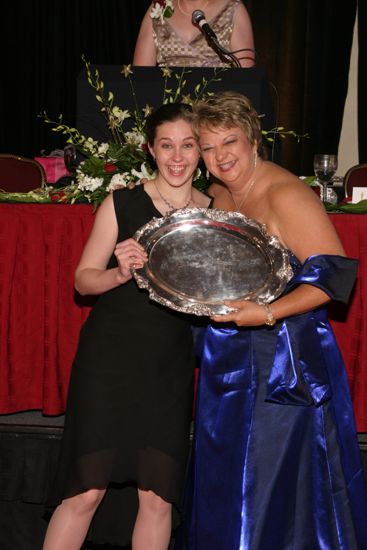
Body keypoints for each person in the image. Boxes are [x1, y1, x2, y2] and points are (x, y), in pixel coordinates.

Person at [177, 91, 367, 549]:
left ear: (253, 140)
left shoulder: (286, 195)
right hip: (227, 357)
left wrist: (264, 314)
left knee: (270, 478)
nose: (220, 156)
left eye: (230, 141)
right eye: (208, 146)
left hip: (283, 360)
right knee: (226, 470)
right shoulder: (219, 193)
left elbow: (334, 278)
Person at [42, 103, 211, 550]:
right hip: (109, 360)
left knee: (156, 499)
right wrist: (118, 274)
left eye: (188, 145)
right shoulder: (122, 202)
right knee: (86, 491)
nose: (177, 157)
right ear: (150, 150)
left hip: (167, 366)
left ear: (200, 150)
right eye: (167, 145)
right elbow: (83, 279)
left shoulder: (215, 213)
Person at [133, 0, 255, 68]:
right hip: (169, 109)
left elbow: (247, 81)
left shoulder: (233, 10)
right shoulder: (157, 10)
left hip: (217, 110)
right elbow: (140, 80)